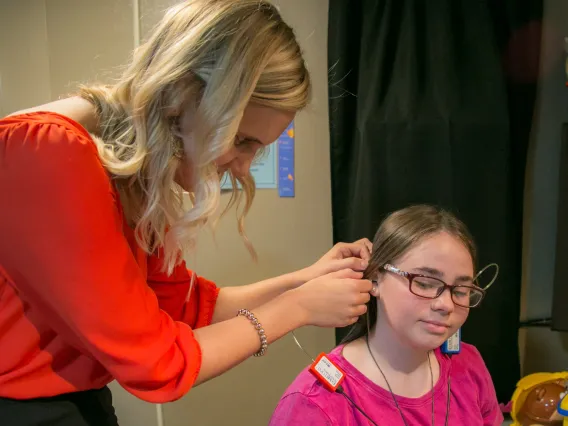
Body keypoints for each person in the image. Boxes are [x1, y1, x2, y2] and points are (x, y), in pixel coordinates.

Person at [0, 1, 374, 424]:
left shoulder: (129, 172)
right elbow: (156, 363)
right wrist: (299, 308)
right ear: (185, 94)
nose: (244, 167)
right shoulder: (48, 156)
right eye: (244, 140)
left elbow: (187, 307)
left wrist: (304, 281)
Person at [269, 205, 503, 426]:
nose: (446, 305)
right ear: (375, 279)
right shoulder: (315, 403)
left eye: (461, 291)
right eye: (424, 283)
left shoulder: (468, 365)